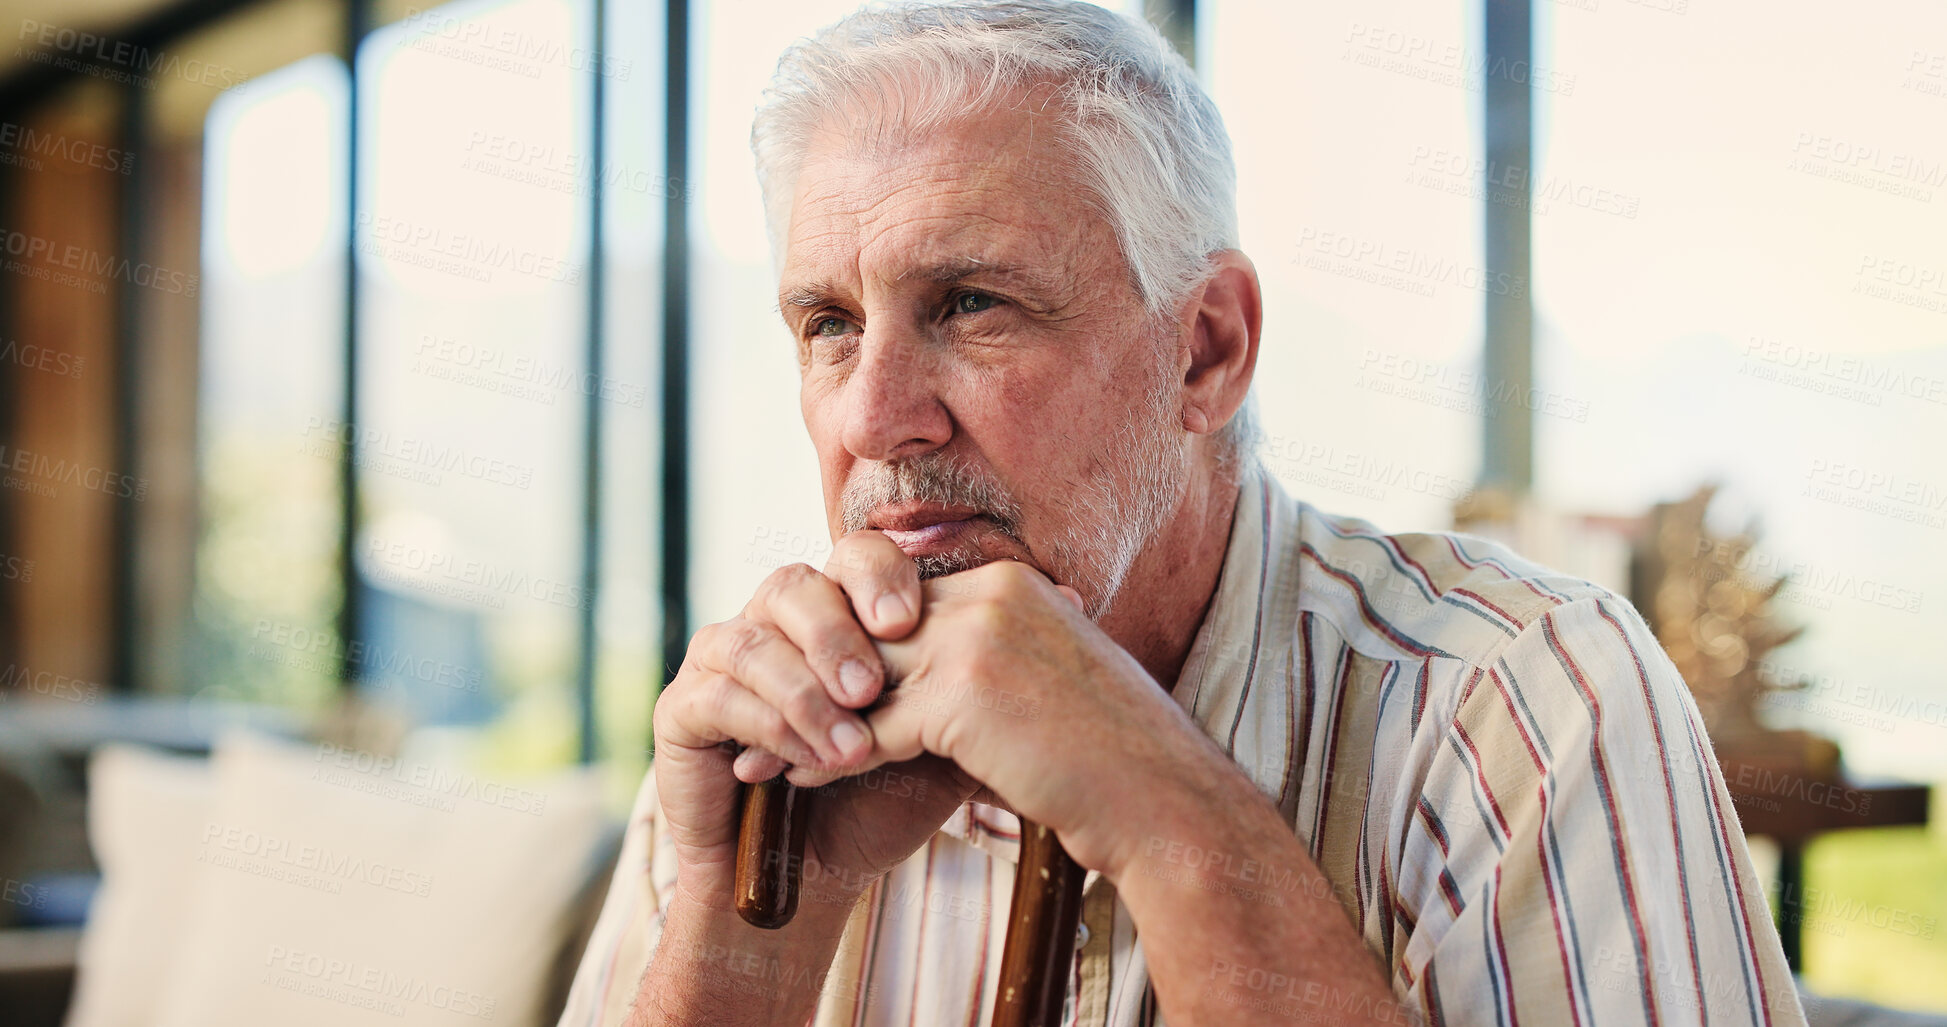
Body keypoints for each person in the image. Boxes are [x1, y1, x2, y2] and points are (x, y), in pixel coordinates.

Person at [560, 1, 1802, 1023]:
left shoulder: (1530, 706)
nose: (873, 419)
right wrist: (745, 927)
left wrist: (1170, 816)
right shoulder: (768, 731)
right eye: (829, 325)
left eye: (973, 303)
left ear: (1206, 352)